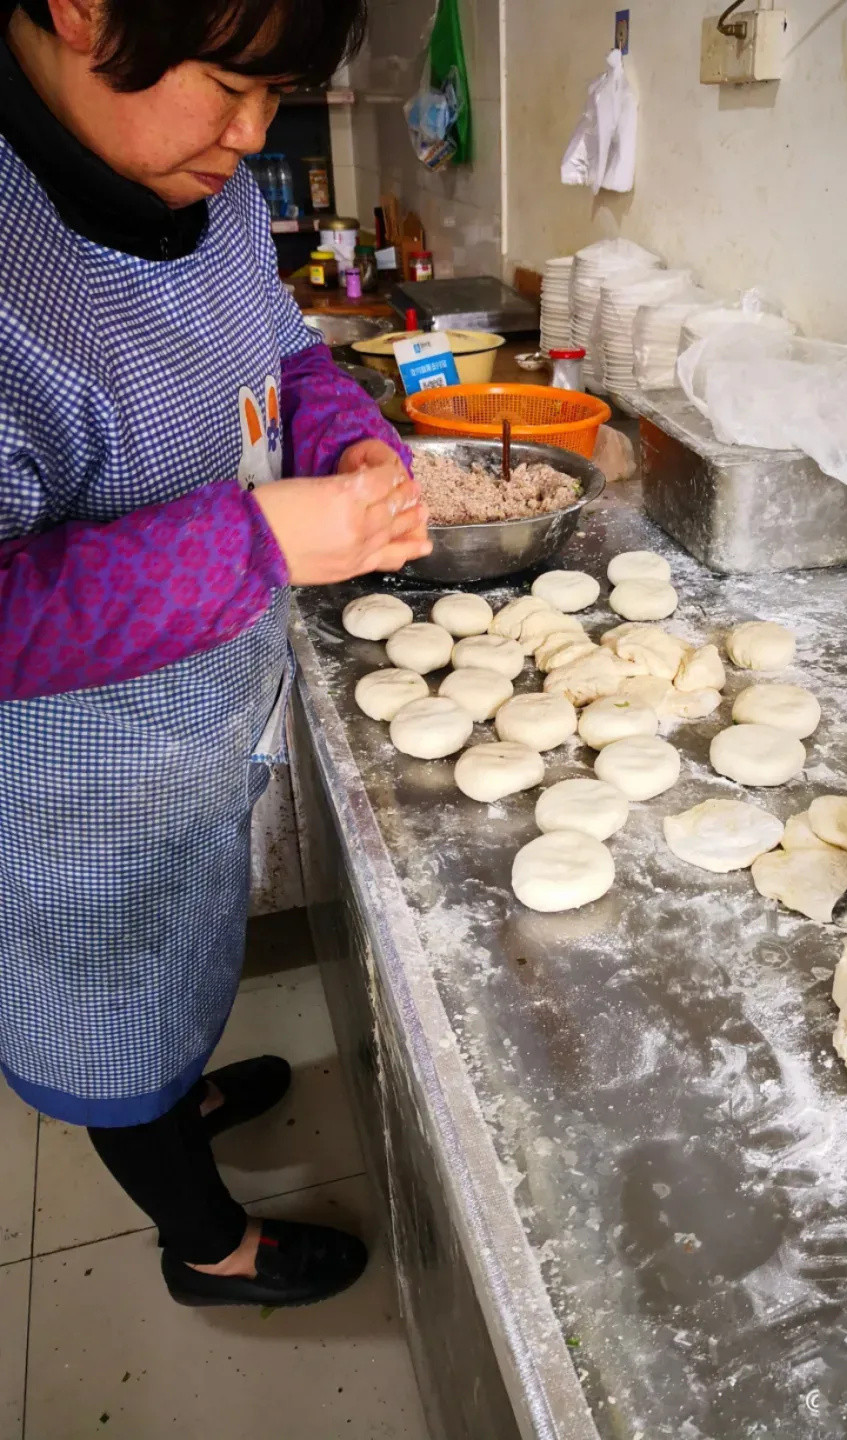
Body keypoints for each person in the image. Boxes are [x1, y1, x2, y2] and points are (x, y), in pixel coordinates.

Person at [0, 0, 431, 1308]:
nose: (254, 136)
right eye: (231, 83)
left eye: (278, 93)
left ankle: (179, 1085)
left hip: (195, 726)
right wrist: (256, 542)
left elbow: (279, 350)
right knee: (111, 1014)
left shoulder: (203, 182)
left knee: (184, 946)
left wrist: (350, 438)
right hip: (71, 800)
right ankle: (206, 1243)